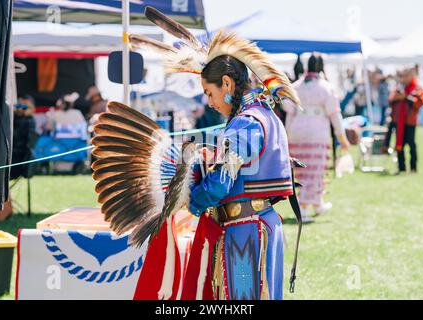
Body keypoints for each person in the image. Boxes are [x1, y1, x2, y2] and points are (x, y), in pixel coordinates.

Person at [126, 23, 301, 300]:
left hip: (246, 230)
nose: (209, 102)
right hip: (259, 222)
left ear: (228, 84)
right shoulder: (264, 114)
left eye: (210, 93)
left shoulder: (245, 124)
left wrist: (188, 201)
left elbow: (220, 184)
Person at [284, 55, 350, 222]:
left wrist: (286, 134)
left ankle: (318, 203)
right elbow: (334, 114)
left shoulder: (296, 86)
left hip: (296, 132)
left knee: (302, 170)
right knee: (314, 170)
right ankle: (304, 209)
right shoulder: (325, 87)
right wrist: (342, 137)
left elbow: (289, 111)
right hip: (316, 133)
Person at [384, 67, 423, 173]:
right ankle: (401, 168)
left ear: (412, 76)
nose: (404, 78)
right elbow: (390, 100)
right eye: (403, 75)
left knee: (411, 144)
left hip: (410, 121)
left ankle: (413, 168)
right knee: (400, 144)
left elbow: (420, 102)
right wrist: (398, 97)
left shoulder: (417, 88)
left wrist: (406, 97)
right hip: (398, 121)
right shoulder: (399, 87)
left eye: (406, 75)